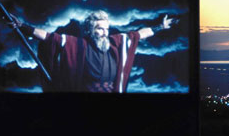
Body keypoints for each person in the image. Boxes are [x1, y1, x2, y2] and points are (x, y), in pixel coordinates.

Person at [9, 10, 175, 92]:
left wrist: (160, 26)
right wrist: (23, 26)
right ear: (89, 30)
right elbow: (49, 37)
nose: (105, 32)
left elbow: (140, 34)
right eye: (100, 29)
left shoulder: (116, 42)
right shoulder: (78, 45)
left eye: (106, 28)